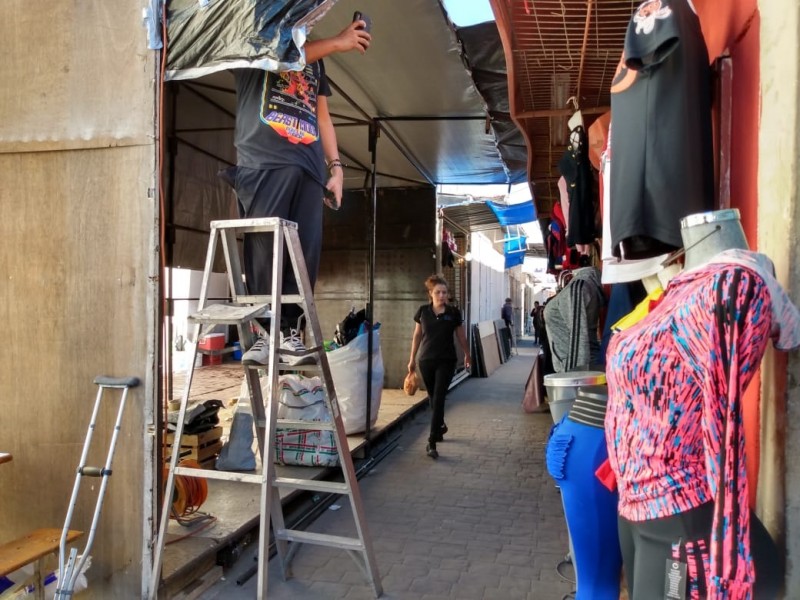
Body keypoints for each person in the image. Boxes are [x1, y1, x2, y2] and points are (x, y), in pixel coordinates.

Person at [236, 17, 372, 364]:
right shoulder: (256, 32)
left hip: (309, 166)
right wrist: (338, 42)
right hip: (265, 159)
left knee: (304, 254)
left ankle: (291, 332)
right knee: (266, 249)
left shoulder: (317, 58)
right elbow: (284, 56)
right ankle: (265, 333)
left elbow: (322, 115)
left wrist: (337, 168)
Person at [408, 275, 471, 459]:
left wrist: (467, 354)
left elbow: (461, 336)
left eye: (444, 292)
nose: (442, 295)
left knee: (439, 398)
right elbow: (417, 336)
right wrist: (411, 359)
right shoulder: (423, 312)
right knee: (433, 398)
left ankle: (431, 441)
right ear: (431, 293)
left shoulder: (453, 313)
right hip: (426, 361)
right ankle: (440, 425)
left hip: (447, 360)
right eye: (438, 292)